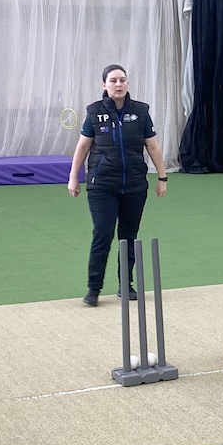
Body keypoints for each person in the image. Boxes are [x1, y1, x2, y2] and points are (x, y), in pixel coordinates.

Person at [68, 64, 167, 306]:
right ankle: (93, 289)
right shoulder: (94, 113)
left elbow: (152, 146)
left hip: (134, 185)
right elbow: (82, 146)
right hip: (102, 185)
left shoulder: (141, 112)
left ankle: (126, 285)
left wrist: (162, 178)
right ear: (105, 85)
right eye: (113, 80)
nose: (118, 84)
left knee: (128, 237)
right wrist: (73, 176)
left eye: (122, 80)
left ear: (127, 84)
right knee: (102, 235)